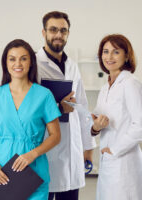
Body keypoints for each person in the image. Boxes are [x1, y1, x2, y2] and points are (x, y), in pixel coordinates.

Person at [0, 39, 61, 200]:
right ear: (5, 63)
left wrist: (32, 154)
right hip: (2, 170)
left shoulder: (44, 95)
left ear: (31, 62)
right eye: (12, 58)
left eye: (23, 58)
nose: (18, 63)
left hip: (34, 170)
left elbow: (55, 136)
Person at [36, 11, 96, 200]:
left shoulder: (73, 65)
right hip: (46, 147)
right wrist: (59, 108)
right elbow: (29, 108)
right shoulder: (34, 64)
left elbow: (82, 107)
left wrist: (88, 148)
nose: (59, 35)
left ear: (68, 33)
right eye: (53, 30)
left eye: (63, 30)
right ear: (44, 32)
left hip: (72, 149)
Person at [91, 34, 142, 200]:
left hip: (124, 161)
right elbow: (97, 121)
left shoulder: (130, 83)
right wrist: (94, 127)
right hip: (108, 160)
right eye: (105, 52)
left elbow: (139, 125)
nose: (109, 57)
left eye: (116, 52)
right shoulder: (106, 87)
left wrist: (114, 150)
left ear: (126, 56)